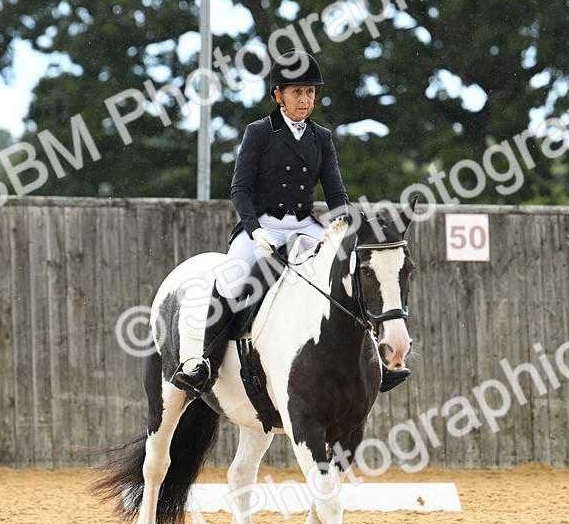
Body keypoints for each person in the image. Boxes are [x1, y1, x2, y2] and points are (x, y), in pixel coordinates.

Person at [171, 49, 409, 397]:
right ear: (278, 95)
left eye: (310, 92)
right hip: (262, 225)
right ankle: (204, 363)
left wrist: (343, 222)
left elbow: (335, 192)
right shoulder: (260, 133)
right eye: (297, 91)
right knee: (229, 282)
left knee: (349, 275)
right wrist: (255, 230)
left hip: (305, 226)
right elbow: (239, 190)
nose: (305, 99)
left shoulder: (322, 138)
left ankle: (375, 361)